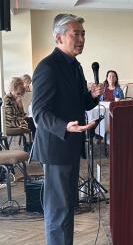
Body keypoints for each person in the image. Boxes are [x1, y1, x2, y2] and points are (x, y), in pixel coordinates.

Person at [32, 14, 103, 245]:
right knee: (59, 211)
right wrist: (65, 126)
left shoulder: (75, 66)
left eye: (83, 34)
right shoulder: (47, 67)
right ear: (58, 37)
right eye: (76, 33)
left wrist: (91, 97)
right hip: (56, 148)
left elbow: (80, 102)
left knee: (67, 207)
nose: (82, 38)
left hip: (71, 145)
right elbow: (40, 113)